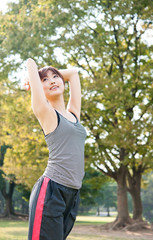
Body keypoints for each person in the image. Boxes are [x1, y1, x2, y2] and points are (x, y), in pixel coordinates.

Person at [24, 58, 86, 240]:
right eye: (44, 80)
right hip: (51, 191)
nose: (51, 81)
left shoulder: (73, 113)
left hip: (72, 193)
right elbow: (30, 62)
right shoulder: (46, 112)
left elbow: (73, 73)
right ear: (38, 87)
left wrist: (53, 75)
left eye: (55, 77)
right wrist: (31, 76)